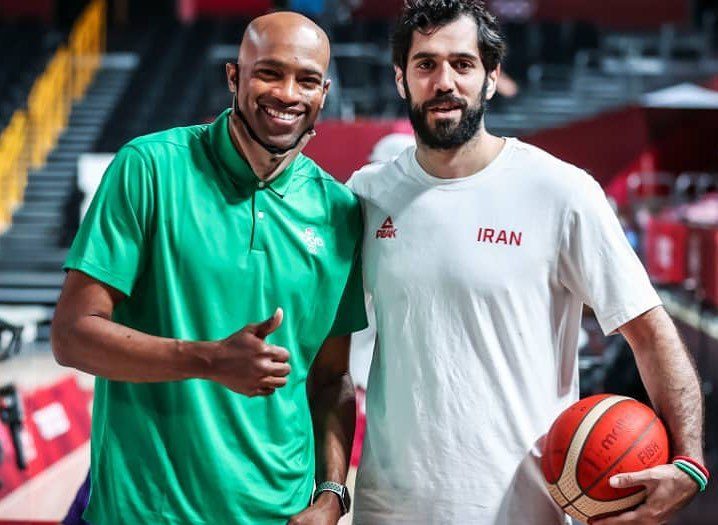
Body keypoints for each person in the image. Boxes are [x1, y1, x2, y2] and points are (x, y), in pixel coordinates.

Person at [346, 1, 706, 524]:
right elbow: (328, 355)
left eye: (463, 64)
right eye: (425, 64)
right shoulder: (366, 193)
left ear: (492, 77)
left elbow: (650, 332)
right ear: (401, 79)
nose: (444, 82)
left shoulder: (560, 190)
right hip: (388, 510)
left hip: (523, 510)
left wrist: (689, 460)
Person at [52, 12, 365, 525]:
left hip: (279, 515)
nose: (288, 93)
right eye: (269, 73)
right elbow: (71, 335)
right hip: (146, 513)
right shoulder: (149, 168)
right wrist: (208, 360)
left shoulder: (339, 212)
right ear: (234, 77)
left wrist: (332, 494)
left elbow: (332, 379)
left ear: (324, 92)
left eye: (307, 80)